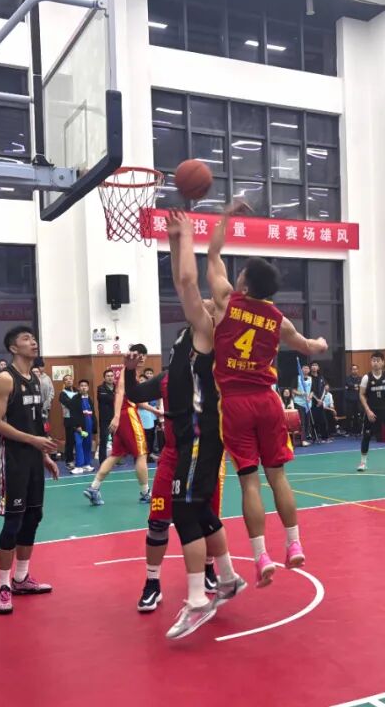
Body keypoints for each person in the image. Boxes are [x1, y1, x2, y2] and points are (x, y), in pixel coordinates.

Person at [128, 210, 245, 638]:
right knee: (199, 510)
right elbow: (195, 276)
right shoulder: (191, 332)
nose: (208, 297)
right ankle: (228, 577)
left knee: (182, 510)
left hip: (197, 434)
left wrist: (185, 237)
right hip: (193, 434)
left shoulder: (209, 329)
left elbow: (186, 283)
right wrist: (179, 238)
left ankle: (197, 599)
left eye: (217, 296)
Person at [207, 200, 327, 588]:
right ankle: (294, 544)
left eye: (240, 273)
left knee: (249, 482)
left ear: (243, 284)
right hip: (268, 401)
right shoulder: (278, 319)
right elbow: (308, 346)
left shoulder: (226, 300)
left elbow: (212, 254)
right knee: (278, 477)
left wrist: (226, 216)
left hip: (235, 404)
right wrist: (321, 343)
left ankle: (261, 555)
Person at [0, 326, 60, 616]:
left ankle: (21, 579)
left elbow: (34, 424)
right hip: (12, 458)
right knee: (13, 521)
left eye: (34, 338)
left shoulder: (36, 380)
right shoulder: (5, 379)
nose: (33, 342)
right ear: (13, 348)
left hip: (32, 457)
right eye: (26, 339)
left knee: (33, 517)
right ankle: (3, 586)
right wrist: (33, 442)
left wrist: (44, 455)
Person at [83, 347, 152, 505]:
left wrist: (156, 411)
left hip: (124, 416)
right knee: (141, 454)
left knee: (116, 455)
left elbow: (136, 400)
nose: (141, 358)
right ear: (131, 357)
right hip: (128, 416)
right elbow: (120, 392)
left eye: (143, 355)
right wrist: (116, 416)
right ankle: (145, 492)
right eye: (137, 355)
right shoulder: (126, 371)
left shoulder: (134, 375)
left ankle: (94, 487)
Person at [72, 380, 97, 473]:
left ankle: (86, 464)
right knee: (79, 444)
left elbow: (92, 413)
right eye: (81, 386)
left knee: (88, 444)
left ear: (88, 388)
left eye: (85, 386)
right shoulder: (75, 398)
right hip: (79, 426)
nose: (83, 387)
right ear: (79, 388)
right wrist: (77, 426)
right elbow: (74, 413)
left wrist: (94, 425)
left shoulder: (89, 399)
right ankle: (79, 466)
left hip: (89, 424)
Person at [96, 369, 116, 463]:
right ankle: (102, 460)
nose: (110, 378)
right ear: (104, 377)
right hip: (105, 418)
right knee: (103, 440)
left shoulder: (117, 388)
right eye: (108, 376)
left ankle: (116, 458)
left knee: (116, 439)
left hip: (115, 418)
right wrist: (115, 397)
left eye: (111, 376)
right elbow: (107, 399)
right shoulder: (100, 388)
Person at [59, 374, 78, 468]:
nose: (69, 380)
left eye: (70, 379)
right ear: (64, 382)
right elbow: (70, 404)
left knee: (79, 441)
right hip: (69, 419)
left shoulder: (77, 391)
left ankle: (80, 460)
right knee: (70, 441)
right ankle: (69, 461)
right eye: (66, 380)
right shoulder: (62, 394)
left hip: (79, 419)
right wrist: (77, 401)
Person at [344, 364, 363, 434]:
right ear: (351, 370)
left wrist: (352, 387)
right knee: (348, 415)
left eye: (356, 369)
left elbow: (361, 386)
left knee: (357, 415)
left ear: (358, 370)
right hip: (349, 399)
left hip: (358, 400)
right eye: (353, 369)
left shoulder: (360, 378)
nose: (354, 370)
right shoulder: (348, 378)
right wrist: (355, 386)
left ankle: (357, 430)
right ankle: (348, 431)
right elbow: (348, 384)